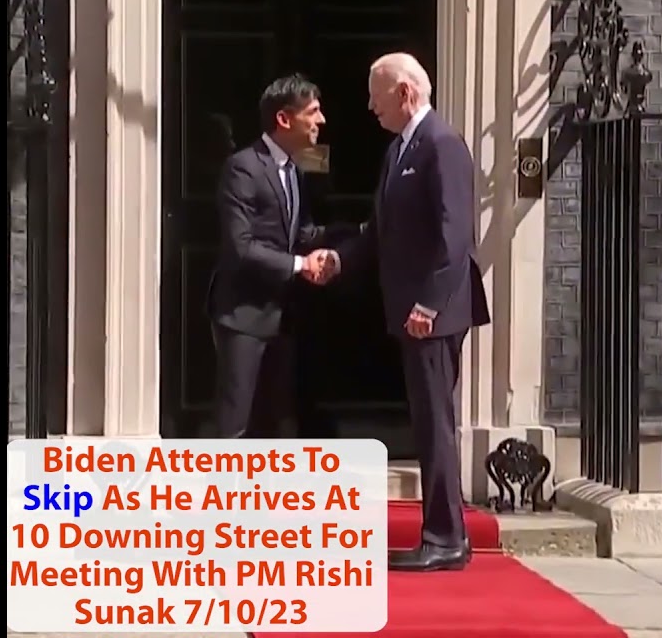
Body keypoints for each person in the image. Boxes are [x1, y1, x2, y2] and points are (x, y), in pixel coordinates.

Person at [324, 53, 490, 571]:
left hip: (431, 311)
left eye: (376, 94)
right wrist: (339, 258)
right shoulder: (401, 148)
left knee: (436, 422)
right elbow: (381, 231)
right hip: (411, 308)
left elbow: (453, 235)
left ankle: (445, 537)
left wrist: (431, 304)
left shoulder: (441, 144)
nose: (369, 106)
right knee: (426, 420)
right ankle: (444, 532)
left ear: (404, 93)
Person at [207, 74, 336, 439]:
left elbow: (303, 232)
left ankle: (264, 495)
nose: (321, 120)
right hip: (243, 315)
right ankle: (226, 495)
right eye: (312, 112)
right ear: (284, 119)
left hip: (283, 317)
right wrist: (300, 265)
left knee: (275, 422)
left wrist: (356, 238)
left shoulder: (294, 169)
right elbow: (240, 245)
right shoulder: (243, 168)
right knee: (236, 423)